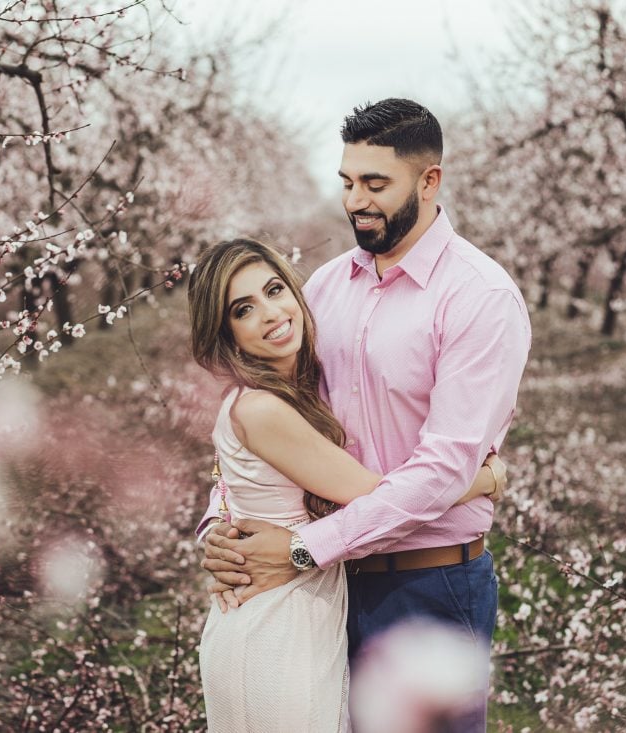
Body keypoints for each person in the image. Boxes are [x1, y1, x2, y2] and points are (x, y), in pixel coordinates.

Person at [199, 98, 531, 731]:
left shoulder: (479, 300)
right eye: (348, 182)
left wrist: (302, 549)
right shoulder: (322, 289)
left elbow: (437, 472)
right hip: (321, 593)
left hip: (427, 587)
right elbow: (269, 427)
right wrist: (221, 523)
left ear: (429, 181)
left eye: (376, 184)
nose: (357, 200)